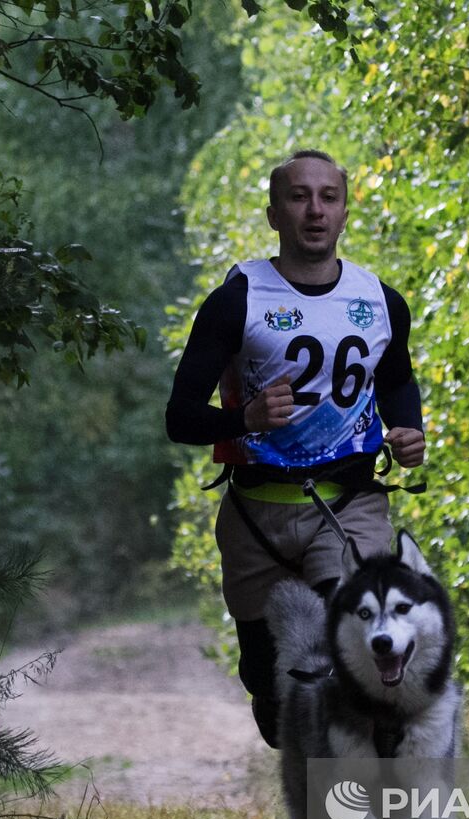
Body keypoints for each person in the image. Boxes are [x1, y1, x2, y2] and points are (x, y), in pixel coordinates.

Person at [165, 149, 426, 748]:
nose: (315, 210)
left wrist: (407, 429)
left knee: (352, 640)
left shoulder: (382, 302)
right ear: (274, 214)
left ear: (343, 212)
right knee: (271, 688)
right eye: (299, 197)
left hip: (349, 503)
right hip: (257, 513)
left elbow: (396, 380)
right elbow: (180, 418)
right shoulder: (236, 300)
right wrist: (243, 419)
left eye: (328, 197)